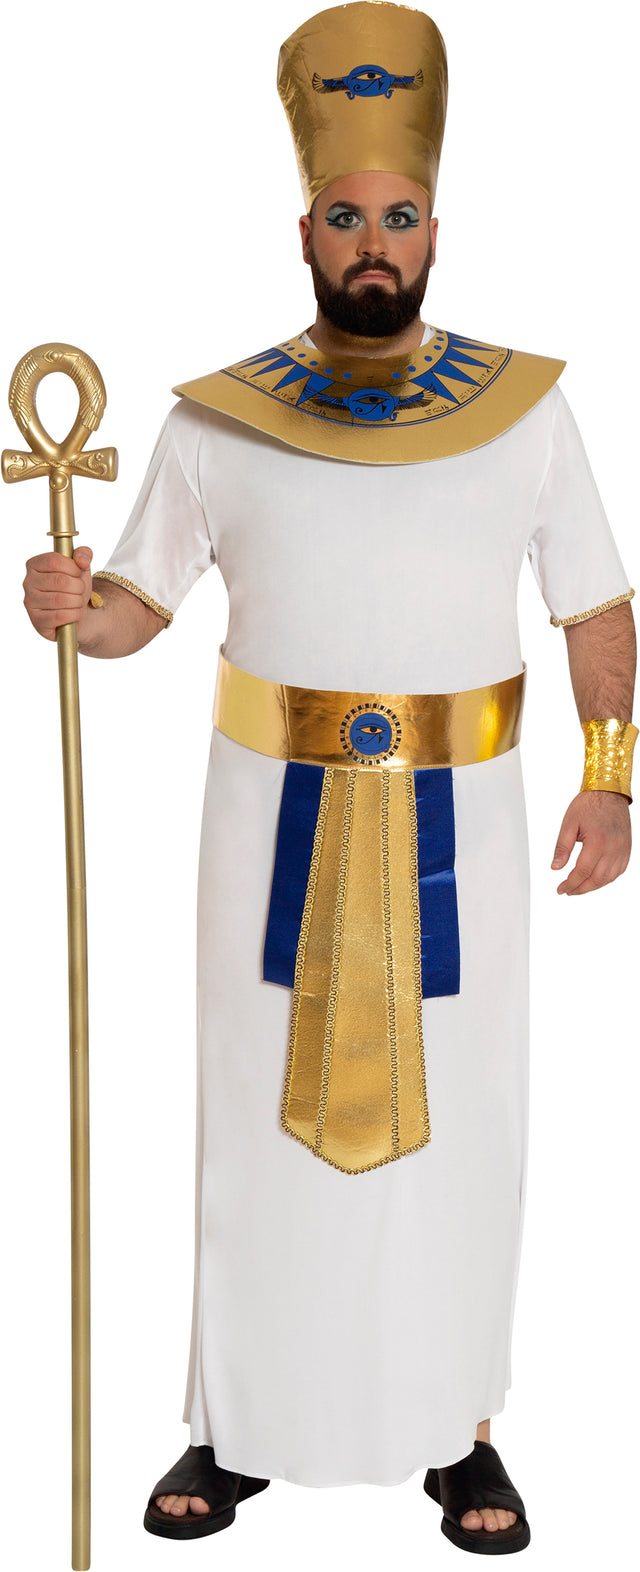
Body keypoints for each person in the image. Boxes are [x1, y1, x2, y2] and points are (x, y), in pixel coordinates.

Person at [22, 1, 636, 1555]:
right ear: (305, 229)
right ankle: (233, 1427)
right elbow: (140, 612)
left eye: (399, 218)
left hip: (464, 825)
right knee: (255, 1111)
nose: (375, 244)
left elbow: (594, 606)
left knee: (465, 1118)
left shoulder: (525, 409)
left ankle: (463, 1432)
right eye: (349, 219)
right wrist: (73, 608)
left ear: (436, 230)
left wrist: (610, 776)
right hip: (269, 816)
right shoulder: (217, 420)